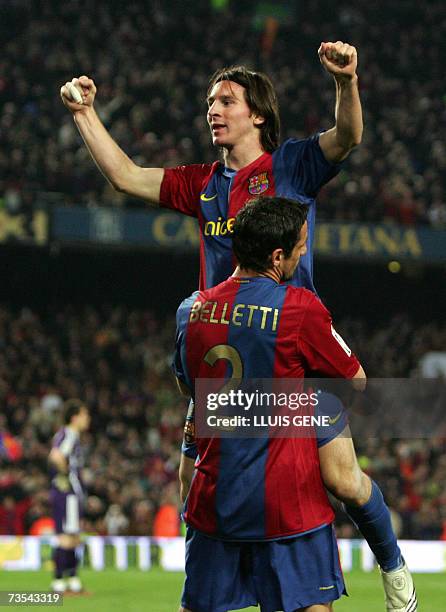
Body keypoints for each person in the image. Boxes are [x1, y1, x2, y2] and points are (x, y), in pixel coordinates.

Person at [60, 44, 416, 611]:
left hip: (294, 355)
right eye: (209, 102)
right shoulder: (202, 184)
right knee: (190, 487)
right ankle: (211, 582)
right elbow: (127, 177)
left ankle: (395, 569)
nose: (213, 109)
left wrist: (347, 84)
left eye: (227, 100)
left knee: (344, 482)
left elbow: (346, 137)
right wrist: (84, 115)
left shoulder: (292, 164)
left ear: (259, 114)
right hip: (225, 363)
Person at [173, 196, 367, 612]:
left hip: (215, 500)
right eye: (301, 246)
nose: (304, 253)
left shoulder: (191, 309)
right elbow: (356, 381)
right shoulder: (301, 308)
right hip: (288, 506)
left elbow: (187, 388)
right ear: (277, 256)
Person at [48, 399, 90, 593]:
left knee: (73, 535)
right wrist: (65, 477)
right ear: (75, 417)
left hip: (70, 492)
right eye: (84, 414)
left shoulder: (67, 434)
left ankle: (72, 580)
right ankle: (58, 581)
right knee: (67, 536)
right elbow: (56, 456)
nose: (87, 419)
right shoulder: (69, 434)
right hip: (67, 492)